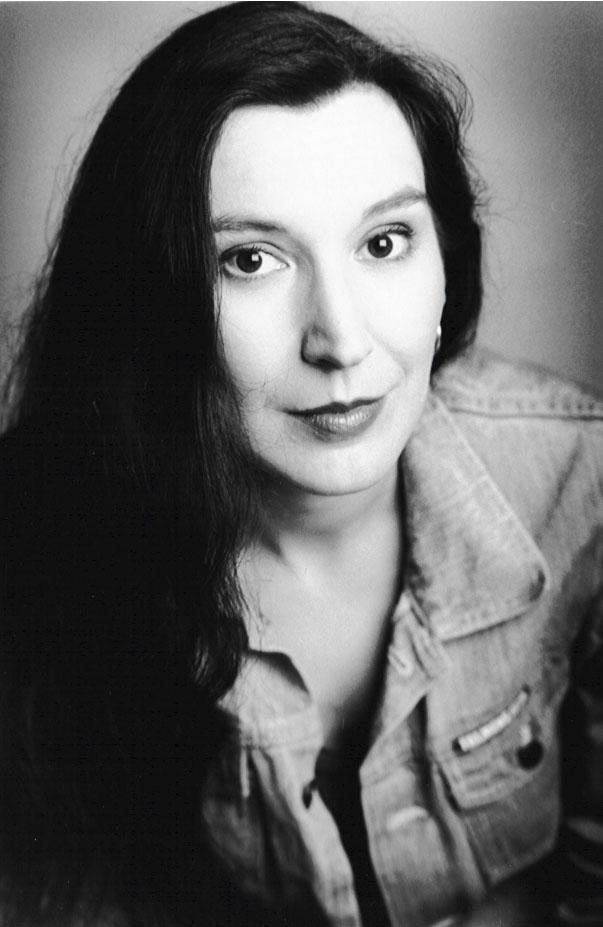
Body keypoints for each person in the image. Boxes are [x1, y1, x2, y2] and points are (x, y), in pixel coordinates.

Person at [1, 3, 601, 926]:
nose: (341, 340)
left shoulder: (579, 483)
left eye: (384, 242)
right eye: (251, 259)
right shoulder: (40, 550)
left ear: (446, 261)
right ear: (147, 296)